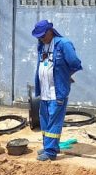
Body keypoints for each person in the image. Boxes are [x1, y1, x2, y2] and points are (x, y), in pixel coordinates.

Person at [31, 19, 83, 162]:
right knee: (45, 120)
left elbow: (75, 63)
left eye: (43, 35)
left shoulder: (63, 44)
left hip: (57, 91)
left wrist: (65, 76)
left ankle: (51, 152)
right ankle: (49, 146)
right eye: (39, 36)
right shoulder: (42, 45)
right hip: (44, 91)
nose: (41, 38)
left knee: (54, 121)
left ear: (50, 31)